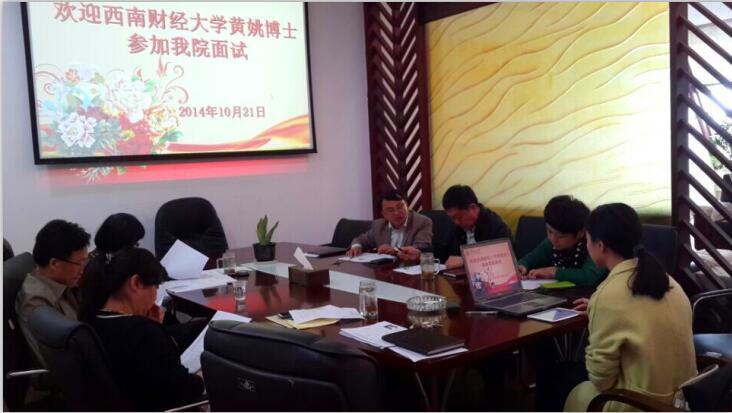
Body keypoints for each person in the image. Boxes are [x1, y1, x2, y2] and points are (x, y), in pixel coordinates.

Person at [563, 203, 696, 411]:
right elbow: (641, 311)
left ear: (600, 245)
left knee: (576, 391)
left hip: (642, 404)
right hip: (683, 400)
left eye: (587, 239)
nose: (586, 245)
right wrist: (601, 308)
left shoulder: (609, 295)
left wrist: (602, 307)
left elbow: (601, 379)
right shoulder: (668, 282)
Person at [78, 247, 205, 411]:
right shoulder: (144, 334)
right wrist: (203, 377)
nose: (156, 295)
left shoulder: (91, 319)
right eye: (156, 287)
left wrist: (153, 328)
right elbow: (181, 391)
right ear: (136, 283)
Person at [16, 219, 91, 367]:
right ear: (54, 264)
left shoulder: (61, 283)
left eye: (85, 262)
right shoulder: (36, 303)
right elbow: (54, 362)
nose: (82, 269)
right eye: (79, 263)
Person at [517, 195, 608, 287]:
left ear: (581, 233)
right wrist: (522, 267)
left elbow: (589, 277)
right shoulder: (551, 243)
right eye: (549, 231)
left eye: (561, 236)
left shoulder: (594, 244)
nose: (553, 239)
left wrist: (554, 272)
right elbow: (529, 260)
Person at [347, 189, 433, 262]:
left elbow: (422, 247)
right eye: (390, 210)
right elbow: (360, 240)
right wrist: (356, 247)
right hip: (386, 271)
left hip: (411, 270)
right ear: (383, 214)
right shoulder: (379, 225)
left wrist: (395, 250)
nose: (396, 213)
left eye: (400, 207)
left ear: (407, 206)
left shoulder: (422, 222)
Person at [440, 184, 512, 268]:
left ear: (473, 208)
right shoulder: (456, 226)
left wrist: (466, 260)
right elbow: (445, 255)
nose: (456, 222)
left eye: (459, 217)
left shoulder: (497, 226)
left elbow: (503, 260)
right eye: (452, 218)